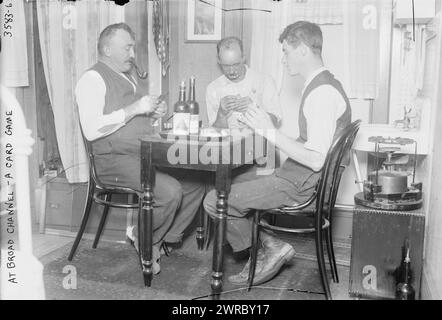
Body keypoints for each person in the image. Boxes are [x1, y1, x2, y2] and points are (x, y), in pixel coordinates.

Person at [203, 21, 352, 285]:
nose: (283, 59)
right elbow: (312, 144)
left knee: (214, 199)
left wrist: (269, 131)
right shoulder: (323, 84)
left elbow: (316, 159)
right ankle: (269, 246)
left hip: (300, 185)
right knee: (234, 187)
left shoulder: (322, 93)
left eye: (286, 51)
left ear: (303, 49)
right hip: (297, 178)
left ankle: (268, 248)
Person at [76, 23, 205, 274]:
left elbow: (132, 123)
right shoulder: (91, 79)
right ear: (107, 49)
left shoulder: (128, 78)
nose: (133, 54)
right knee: (169, 191)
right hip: (113, 160)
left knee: (196, 184)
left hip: (142, 154)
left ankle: (152, 238)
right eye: (127, 48)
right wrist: (136, 108)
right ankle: (144, 237)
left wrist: (155, 115)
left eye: (133, 47)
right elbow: (92, 129)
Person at [206, 37, 282, 130]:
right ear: (219, 61)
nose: (231, 71)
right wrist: (221, 114)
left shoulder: (265, 81)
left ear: (243, 58)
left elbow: (274, 124)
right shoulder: (213, 88)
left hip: (259, 143)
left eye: (236, 64)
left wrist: (255, 109)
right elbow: (216, 132)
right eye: (226, 66)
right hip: (229, 143)